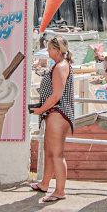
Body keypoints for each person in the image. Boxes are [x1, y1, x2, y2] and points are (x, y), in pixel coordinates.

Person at [29, 36, 75, 203]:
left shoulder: (61, 66)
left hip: (58, 113)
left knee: (56, 154)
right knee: (50, 152)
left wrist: (40, 109)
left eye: (49, 48)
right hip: (55, 113)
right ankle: (44, 184)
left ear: (57, 50)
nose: (47, 51)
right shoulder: (60, 65)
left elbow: (57, 95)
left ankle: (60, 191)